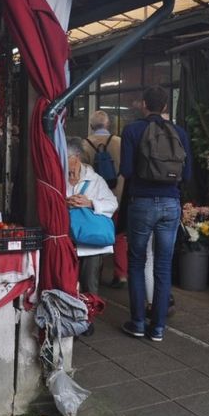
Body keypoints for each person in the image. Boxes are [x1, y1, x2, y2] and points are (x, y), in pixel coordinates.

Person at [119, 86, 192, 342]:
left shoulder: (132, 130)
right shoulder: (180, 133)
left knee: (137, 263)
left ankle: (138, 322)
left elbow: (126, 170)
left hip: (141, 202)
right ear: (165, 107)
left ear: (143, 104)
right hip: (171, 203)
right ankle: (158, 327)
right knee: (163, 265)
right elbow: (189, 174)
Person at [66, 137, 118, 297]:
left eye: (65, 157)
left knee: (90, 285)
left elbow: (112, 203)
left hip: (91, 243)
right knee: (67, 283)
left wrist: (90, 203)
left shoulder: (95, 180)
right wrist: (64, 203)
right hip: (67, 240)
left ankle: (88, 319)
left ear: (76, 158)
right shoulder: (58, 178)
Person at [81, 111, 126, 289]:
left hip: (94, 196)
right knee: (120, 234)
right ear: (108, 125)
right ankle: (121, 273)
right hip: (118, 195)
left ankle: (95, 273)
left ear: (92, 126)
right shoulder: (119, 142)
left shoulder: (85, 144)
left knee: (96, 233)